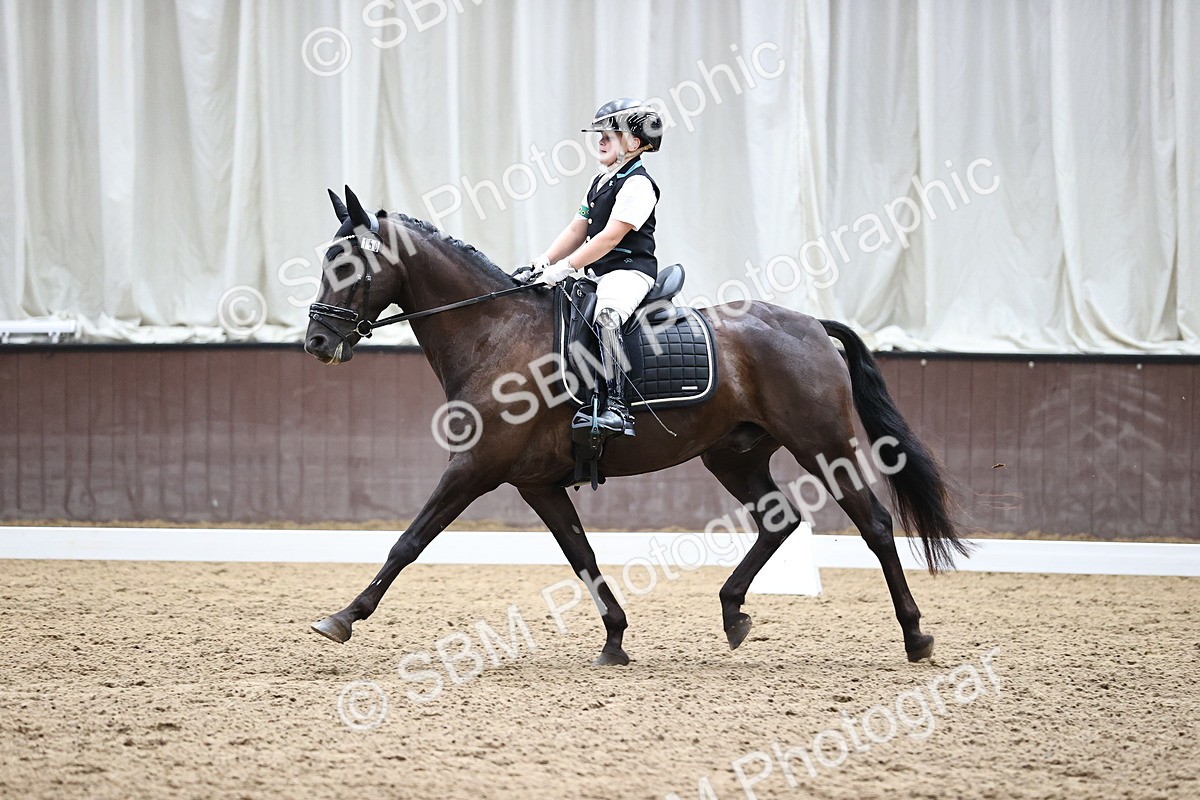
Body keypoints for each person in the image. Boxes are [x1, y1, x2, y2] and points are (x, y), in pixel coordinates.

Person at [535, 98, 664, 436]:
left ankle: (618, 409)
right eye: (600, 135)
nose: (601, 140)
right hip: (598, 272)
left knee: (607, 316)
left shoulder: (638, 185)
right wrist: (545, 260)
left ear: (634, 144)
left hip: (628, 272)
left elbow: (608, 239)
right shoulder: (600, 180)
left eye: (610, 134)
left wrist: (566, 267)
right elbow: (577, 228)